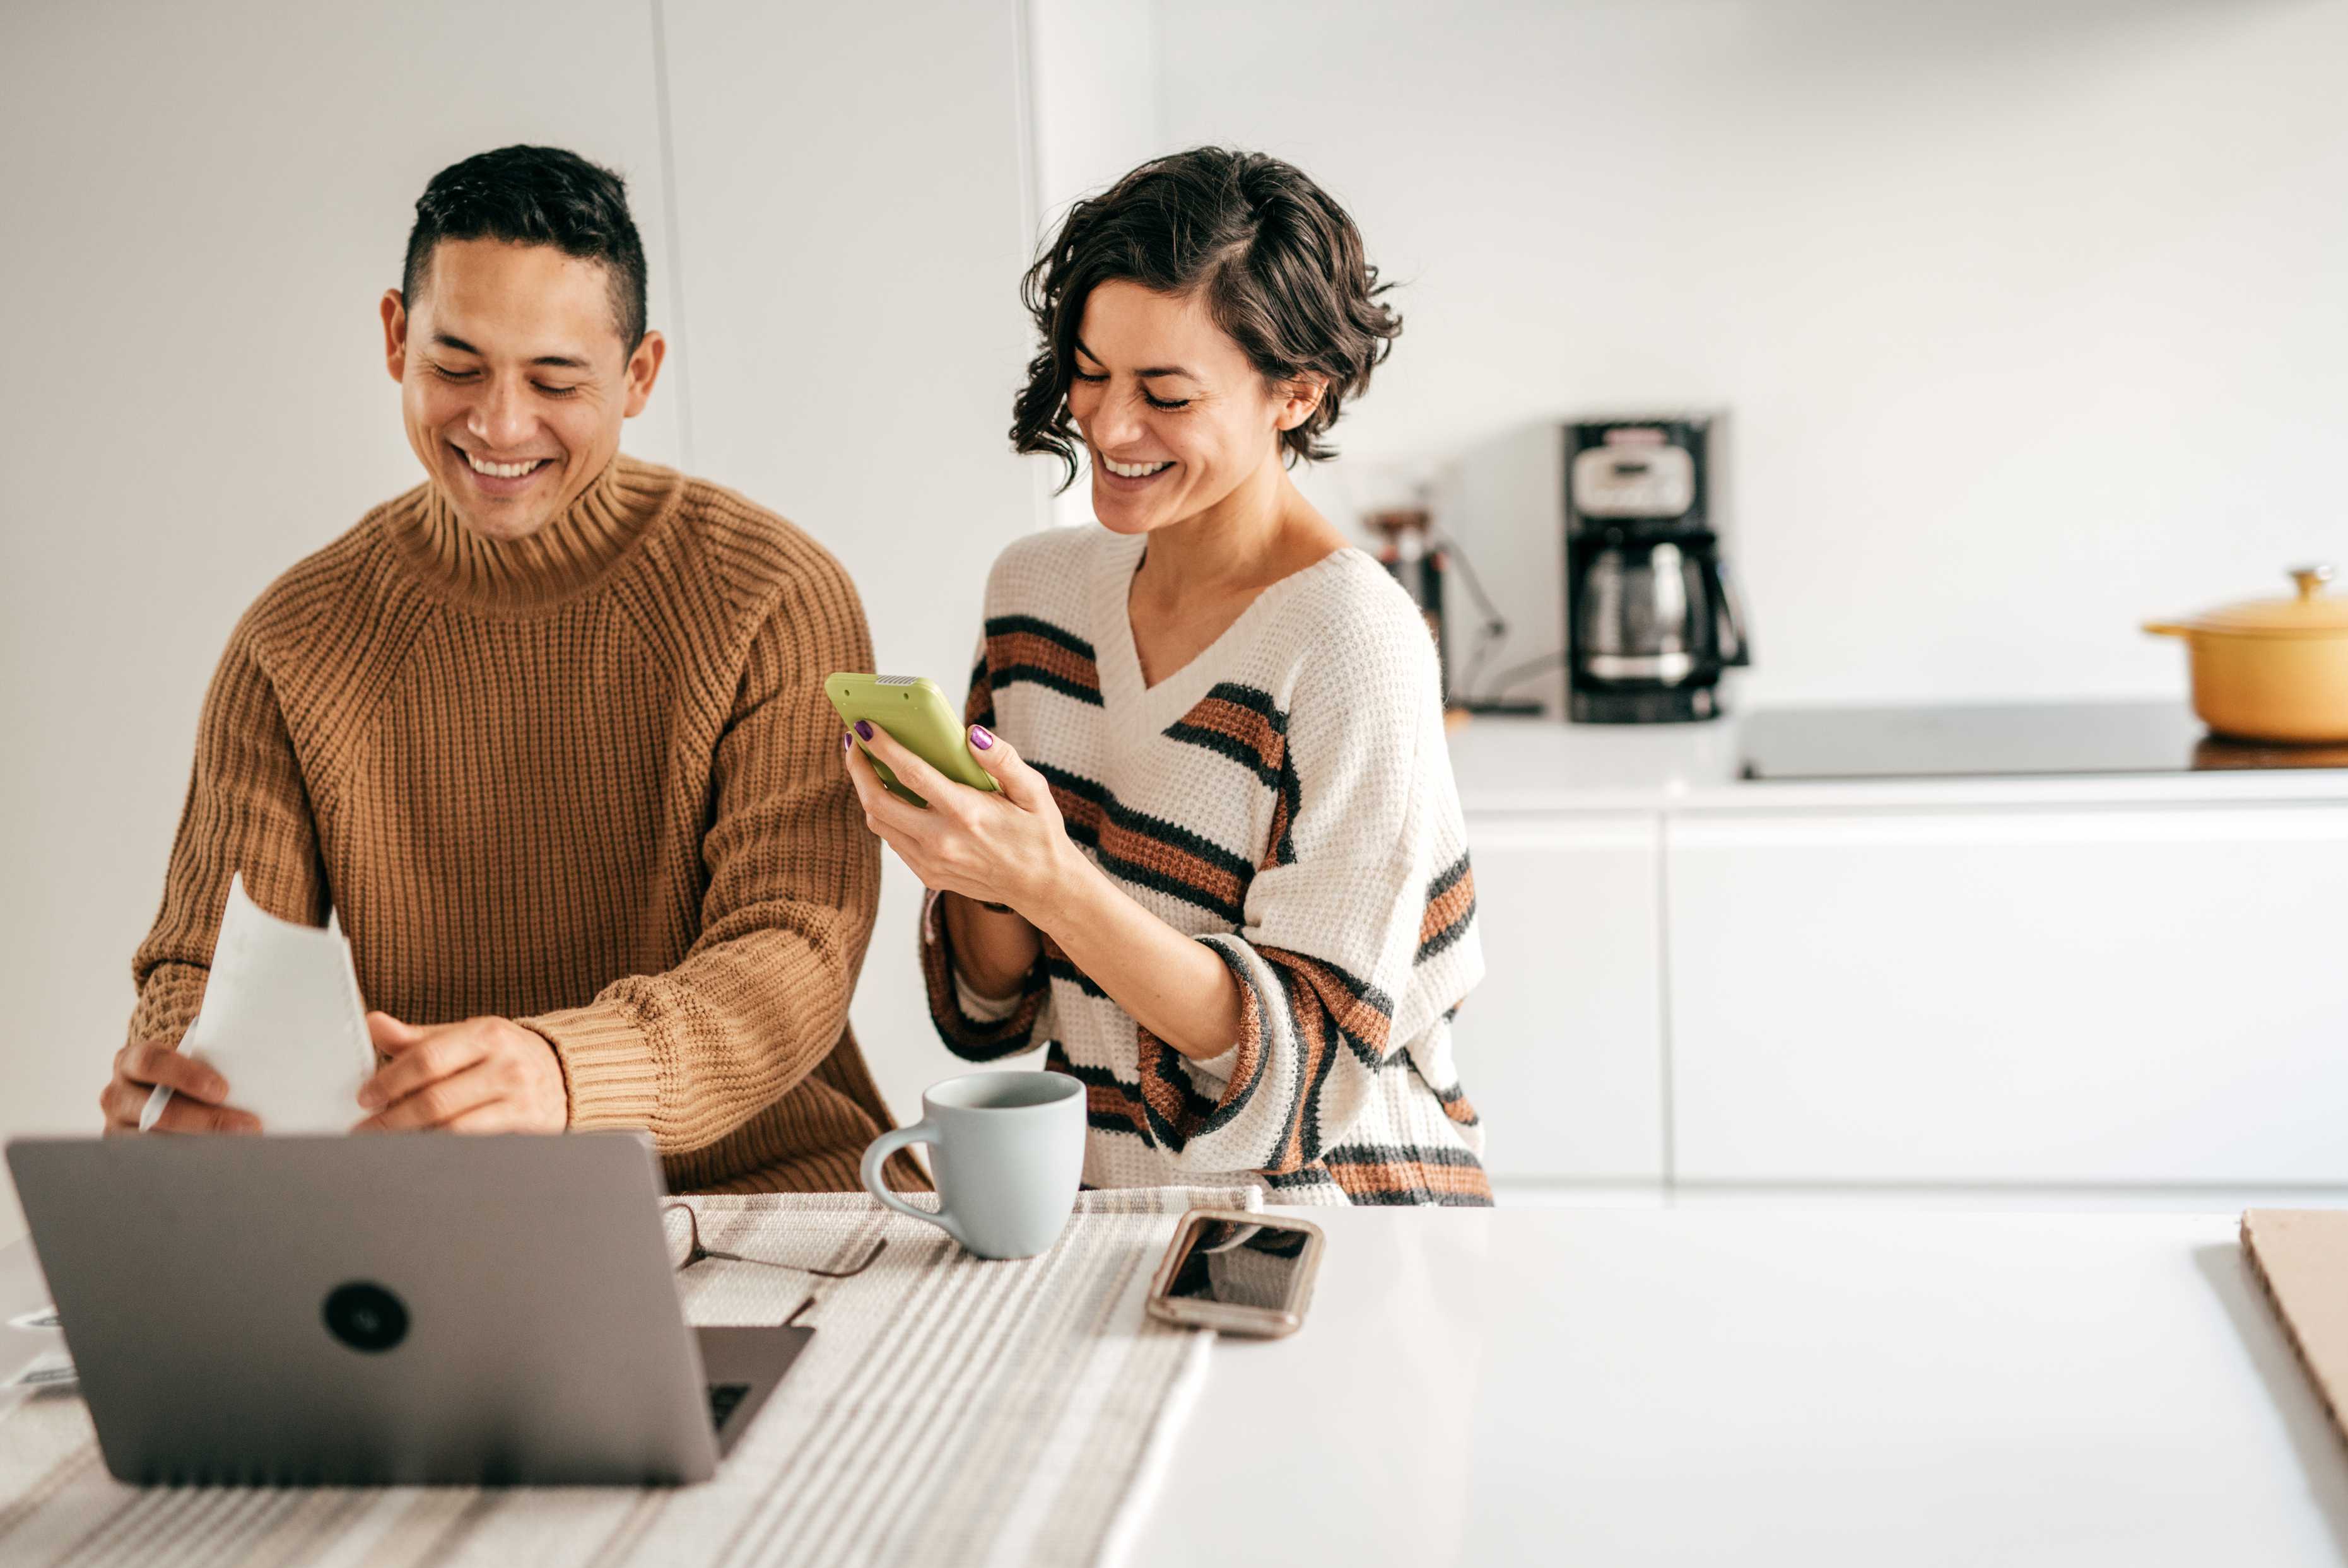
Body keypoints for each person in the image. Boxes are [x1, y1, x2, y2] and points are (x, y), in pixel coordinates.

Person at [100, 145, 923, 1194]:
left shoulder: (774, 596)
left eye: (554, 379)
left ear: (639, 376)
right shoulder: (292, 640)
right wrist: (186, 1081)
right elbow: (208, 965)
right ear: (396, 338)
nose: (497, 423)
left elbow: (793, 952)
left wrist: (562, 1074)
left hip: (757, 1194)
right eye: (456, 366)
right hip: (442, 1219)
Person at [846, 148, 1488, 1205]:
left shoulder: (1352, 641)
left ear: (1298, 393)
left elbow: (1305, 1072)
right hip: (1107, 1214)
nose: (1106, 424)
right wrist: (972, 859)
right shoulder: (1034, 594)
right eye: (1090, 372)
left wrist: (1055, 880)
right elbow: (997, 1003)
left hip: (1342, 1226)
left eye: (1166, 393)